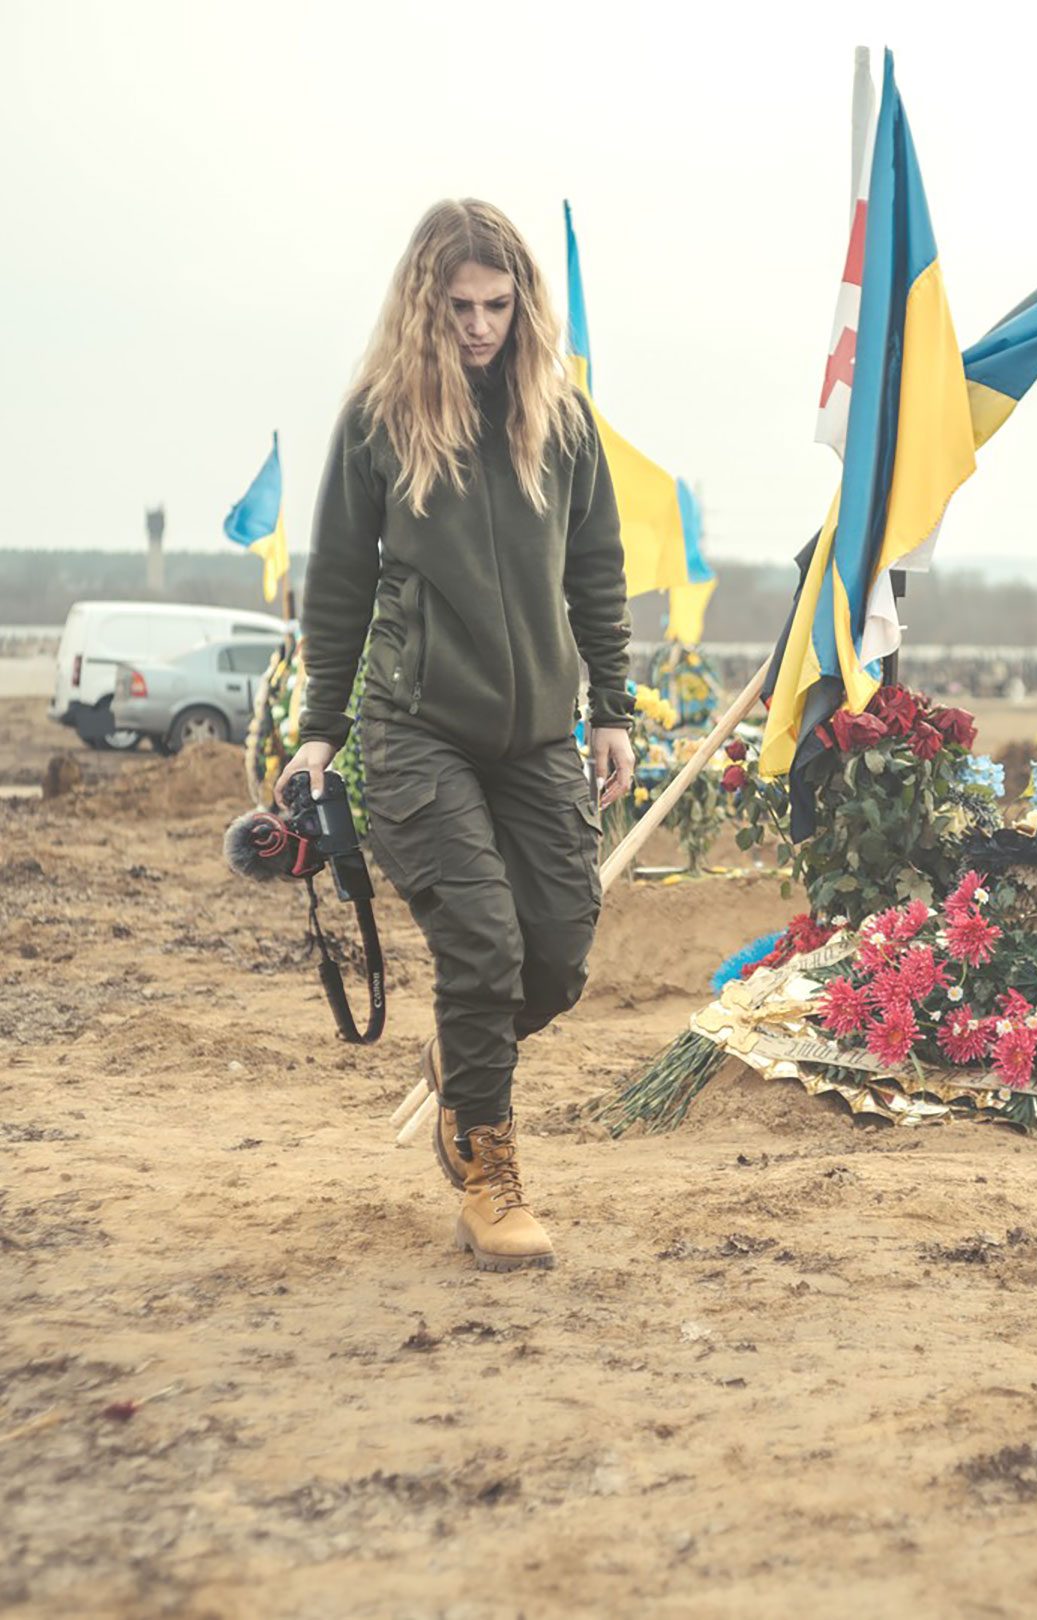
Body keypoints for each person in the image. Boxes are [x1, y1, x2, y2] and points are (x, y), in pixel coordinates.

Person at [276, 199, 634, 1272]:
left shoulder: (562, 423)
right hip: (415, 728)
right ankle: (487, 1174)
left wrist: (610, 705)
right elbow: (336, 581)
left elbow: (597, 571)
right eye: (459, 306)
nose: (480, 326)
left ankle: (462, 1057)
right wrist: (318, 732)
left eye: (496, 304)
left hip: (535, 739)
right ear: (425, 305)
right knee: (483, 942)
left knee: (559, 957)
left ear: (520, 303)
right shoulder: (380, 421)